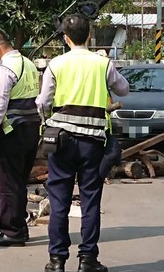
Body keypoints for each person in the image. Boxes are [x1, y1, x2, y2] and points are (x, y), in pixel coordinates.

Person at [36, 14, 129, 272]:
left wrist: (49, 120)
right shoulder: (102, 63)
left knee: (59, 202)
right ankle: (87, 260)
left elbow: (42, 102)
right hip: (93, 143)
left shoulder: (56, 64)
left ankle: (57, 261)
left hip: (62, 143)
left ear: (66, 39)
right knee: (90, 201)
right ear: (89, 35)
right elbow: (124, 90)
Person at [0, 29, 41, 247]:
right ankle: (19, 228)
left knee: (5, 183)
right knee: (18, 182)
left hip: (9, 133)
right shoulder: (29, 64)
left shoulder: (4, 69)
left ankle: (11, 231)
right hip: (30, 130)